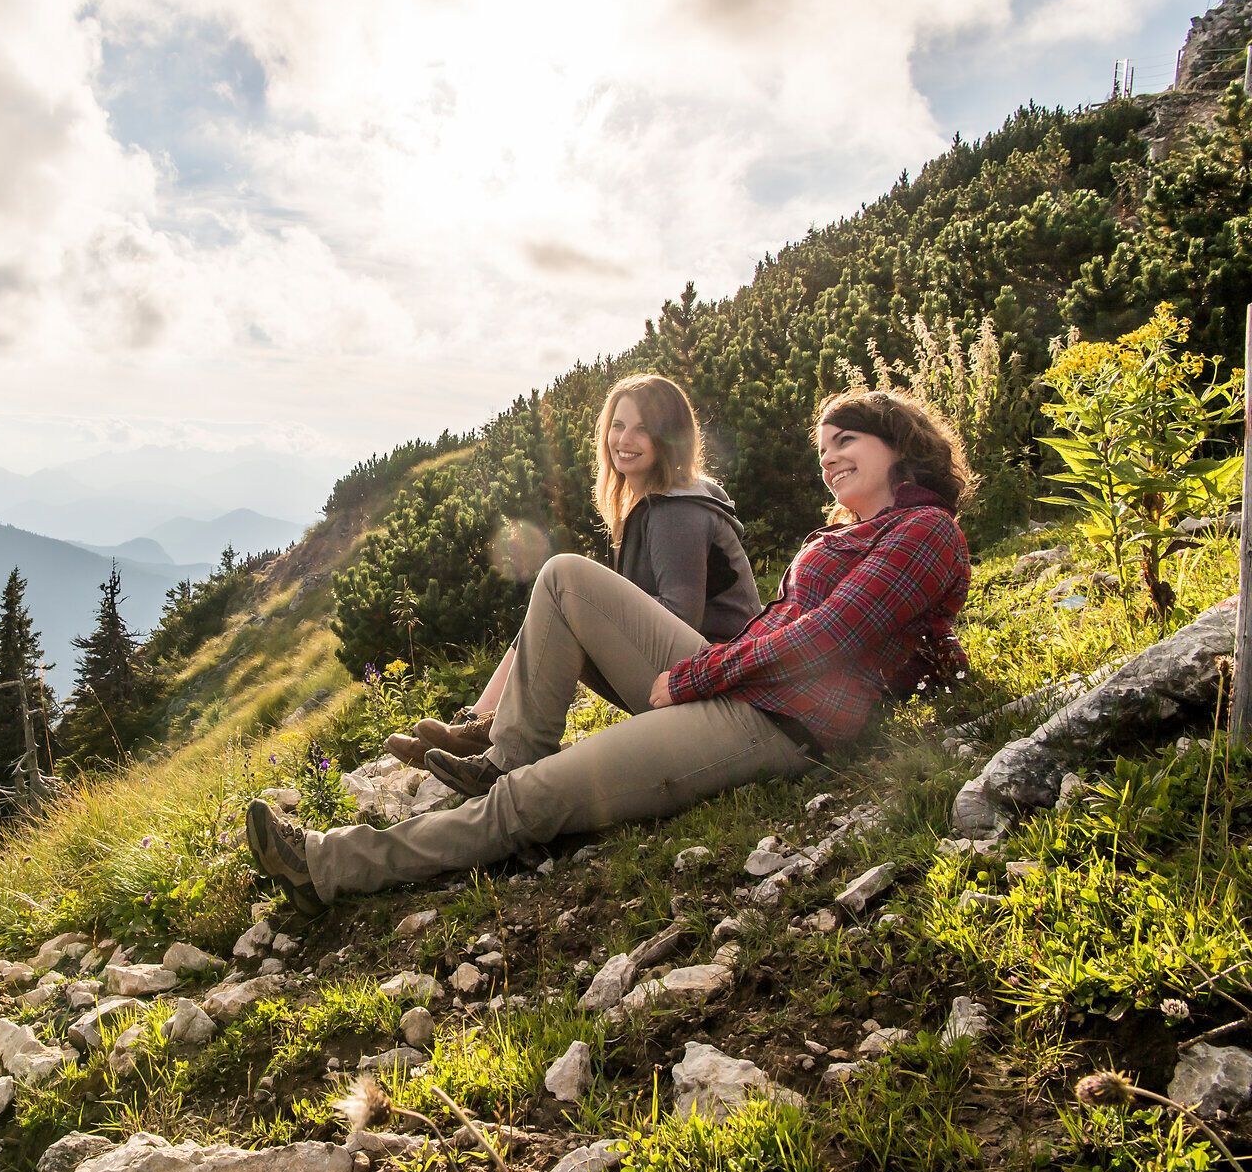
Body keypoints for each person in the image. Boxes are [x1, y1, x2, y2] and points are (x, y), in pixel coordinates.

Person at [250, 388, 972, 915]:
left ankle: (330, 863)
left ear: (899, 447)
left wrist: (694, 676)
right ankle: (509, 750)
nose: (829, 460)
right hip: (747, 689)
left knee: (531, 803)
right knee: (565, 577)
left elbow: (829, 638)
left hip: (785, 723)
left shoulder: (923, 531)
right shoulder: (842, 535)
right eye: (823, 449)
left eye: (846, 441)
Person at [385, 373, 760, 771]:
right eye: (618, 425)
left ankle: (508, 750)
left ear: (669, 438)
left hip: (716, 691)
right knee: (559, 607)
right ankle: (479, 724)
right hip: (691, 679)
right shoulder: (651, 503)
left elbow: (680, 617)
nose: (624, 440)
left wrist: (594, 615)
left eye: (642, 429)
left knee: (567, 588)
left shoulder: (677, 512)